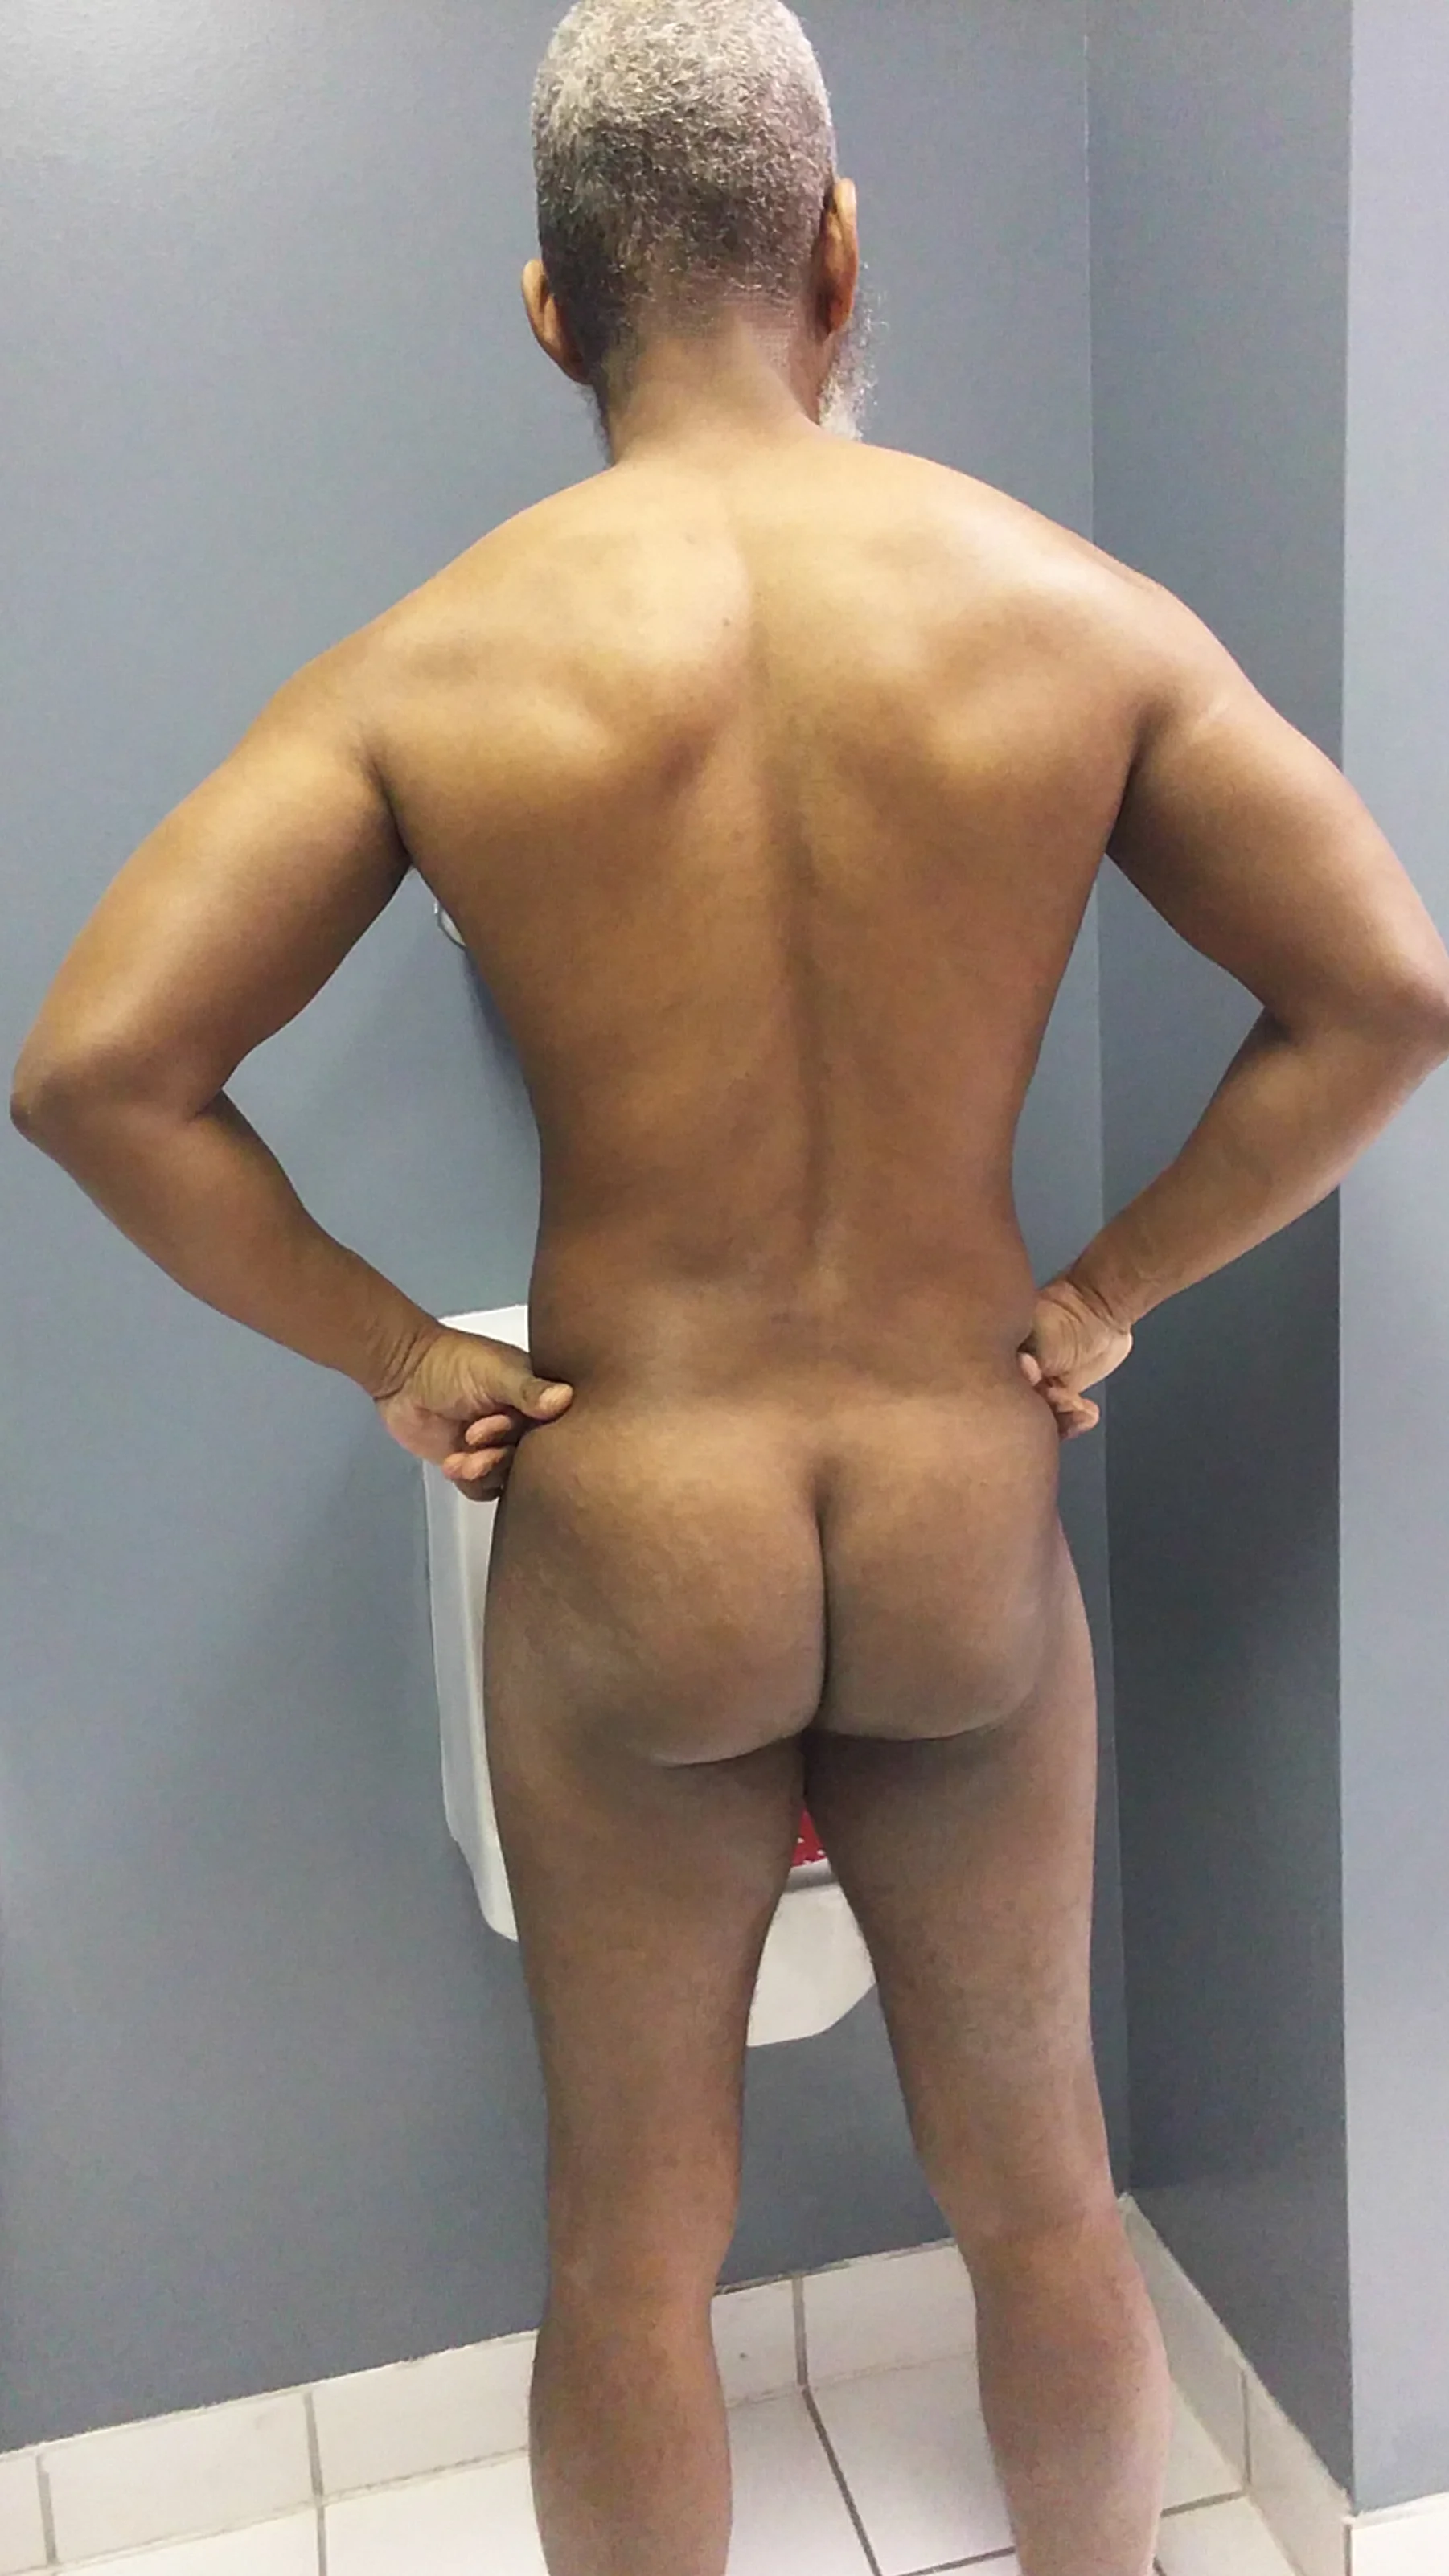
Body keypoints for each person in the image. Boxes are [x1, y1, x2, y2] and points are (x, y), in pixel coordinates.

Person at [11, 3, 1449, 2570]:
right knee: (1044, 2195)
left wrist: (401, 1349)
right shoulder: (1068, 612)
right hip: (954, 1498)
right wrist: (1105, 1286)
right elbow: (1387, 993)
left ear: (549, 311)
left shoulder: (441, 661)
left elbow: (98, 1069)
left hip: (636, 1531)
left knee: (630, 2257)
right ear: (839, 256)